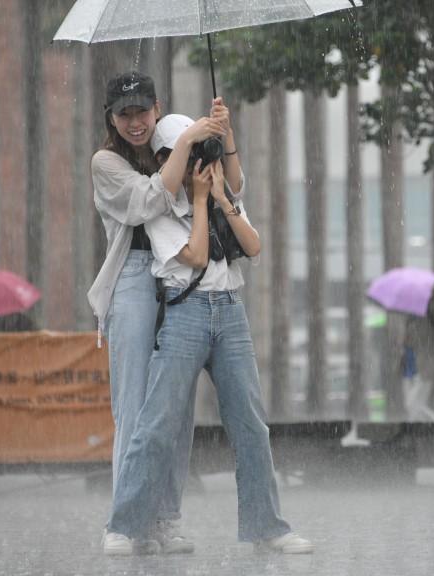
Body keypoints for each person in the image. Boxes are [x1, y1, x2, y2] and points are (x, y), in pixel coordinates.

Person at [105, 114, 313, 555]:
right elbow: (197, 256)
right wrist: (199, 201)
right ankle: (124, 526)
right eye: (187, 151)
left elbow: (253, 246)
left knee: (251, 426)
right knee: (156, 423)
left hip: (231, 313)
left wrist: (220, 197)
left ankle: (268, 527)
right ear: (166, 159)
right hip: (184, 313)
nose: (198, 161)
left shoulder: (222, 195)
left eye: (201, 150)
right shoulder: (159, 209)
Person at [86, 70, 231, 556]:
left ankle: (166, 517)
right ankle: (124, 523)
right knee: (133, 403)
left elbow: (230, 188)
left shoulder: (172, 144)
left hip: (180, 276)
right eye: (124, 114)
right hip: (133, 275)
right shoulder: (106, 161)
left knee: (176, 404)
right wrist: (190, 137)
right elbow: (150, 201)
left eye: (142, 112)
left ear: (156, 107)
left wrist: (219, 137)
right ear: (110, 117)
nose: (135, 122)